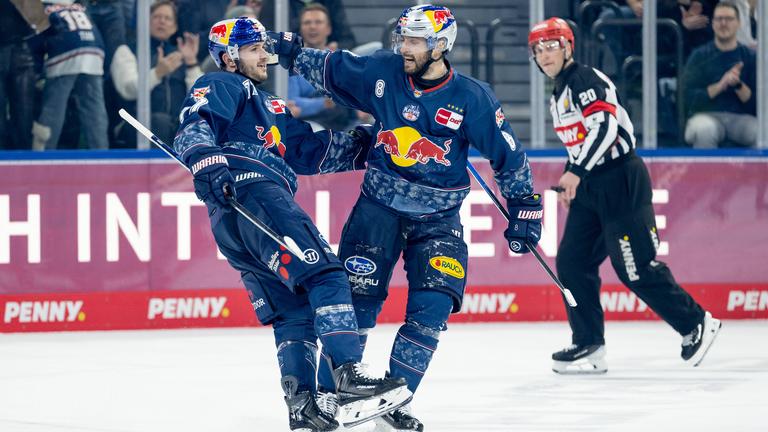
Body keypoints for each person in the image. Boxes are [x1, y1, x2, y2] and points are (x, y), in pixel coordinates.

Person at [271, 5, 542, 430]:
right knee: (356, 305)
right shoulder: (384, 71)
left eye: (415, 41)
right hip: (377, 210)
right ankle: (324, 398)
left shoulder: (472, 98)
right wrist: (289, 53)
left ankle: (392, 402)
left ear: (441, 45)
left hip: (438, 220)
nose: (405, 48)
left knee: (432, 309)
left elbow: (508, 155)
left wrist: (524, 205)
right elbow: (335, 69)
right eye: (404, 39)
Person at [174, 17, 411, 431]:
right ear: (229, 57)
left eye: (265, 47)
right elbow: (194, 124)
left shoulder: (270, 106)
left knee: (294, 311)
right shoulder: (227, 83)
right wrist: (206, 160)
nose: (265, 55)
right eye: (253, 49)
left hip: (234, 220)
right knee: (325, 274)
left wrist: (379, 139)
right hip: (258, 196)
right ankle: (347, 374)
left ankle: (303, 406)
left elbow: (310, 152)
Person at [527, 17, 722, 375]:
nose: (544, 54)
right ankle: (588, 342)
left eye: (551, 45)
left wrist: (576, 172)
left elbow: (605, 127)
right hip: (591, 187)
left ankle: (696, 322)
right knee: (572, 262)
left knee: (634, 267)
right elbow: (582, 139)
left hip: (620, 179)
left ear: (569, 46)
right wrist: (575, 178)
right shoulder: (559, 92)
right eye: (538, 49)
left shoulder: (585, 79)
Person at [31, 0, 109, 150]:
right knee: (95, 110)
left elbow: (37, 40)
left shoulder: (42, 8)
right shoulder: (79, 7)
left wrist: (37, 72)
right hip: (94, 49)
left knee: (54, 108)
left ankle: (43, 156)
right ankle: (102, 154)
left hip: (65, 50)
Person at [683, 1, 757, 149]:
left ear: (739, 23)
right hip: (705, 116)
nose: (724, 23)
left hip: (741, 118)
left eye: (729, 19)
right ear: (713, 23)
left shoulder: (750, 57)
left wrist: (738, 85)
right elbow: (688, 100)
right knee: (704, 130)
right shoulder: (699, 56)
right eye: (719, 19)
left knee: (763, 133)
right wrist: (720, 85)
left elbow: (758, 105)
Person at [287, 3, 355, 131]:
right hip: (311, 123)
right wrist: (324, 103)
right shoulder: (292, 61)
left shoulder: (342, 59)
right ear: (301, 29)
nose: (312, 27)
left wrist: (307, 105)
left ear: (329, 29)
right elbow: (292, 103)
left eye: (318, 22)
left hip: (346, 122)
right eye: (307, 23)